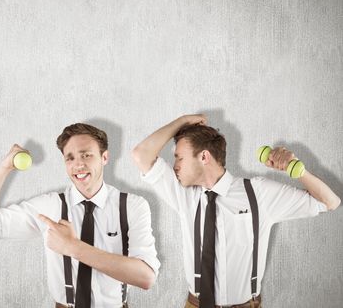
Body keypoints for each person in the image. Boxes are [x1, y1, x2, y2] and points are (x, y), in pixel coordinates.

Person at [131, 114, 340, 308]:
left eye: (179, 158)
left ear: (204, 157)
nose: (174, 166)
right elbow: (141, 154)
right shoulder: (184, 194)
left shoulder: (257, 193)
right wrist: (183, 121)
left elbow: (330, 202)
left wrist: (294, 168)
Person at [0, 123, 160, 308]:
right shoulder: (51, 206)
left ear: (105, 157)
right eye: (70, 158)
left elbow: (146, 278)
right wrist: (4, 169)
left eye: (86, 155)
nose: (78, 165)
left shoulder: (133, 206)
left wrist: (73, 248)